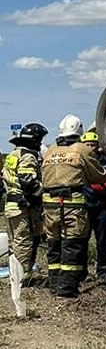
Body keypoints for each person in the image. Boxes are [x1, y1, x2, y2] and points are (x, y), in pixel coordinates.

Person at [41, 115, 106, 298]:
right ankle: (67, 290)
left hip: (49, 204)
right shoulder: (82, 149)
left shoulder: (50, 150)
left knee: (54, 244)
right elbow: (97, 176)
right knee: (72, 244)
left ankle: (54, 285)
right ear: (79, 131)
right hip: (72, 204)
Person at [2, 122, 48, 284]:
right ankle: (22, 278)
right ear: (35, 140)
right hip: (23, 207)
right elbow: (28, 182)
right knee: (24, 242)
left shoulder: (13, 154)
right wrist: (43, 194)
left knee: (16, 242)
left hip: (12, 205)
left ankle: (18, 274)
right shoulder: (28, 156)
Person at [80, 130, 106, 283]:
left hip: (102, 207)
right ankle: (81, 272)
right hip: (84, 207)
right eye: (87, 145)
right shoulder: (79, 162)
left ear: (98, 146)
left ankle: (104, 270)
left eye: (93, 145)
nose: (90, 147)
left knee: (103, 241)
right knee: (82, 241)